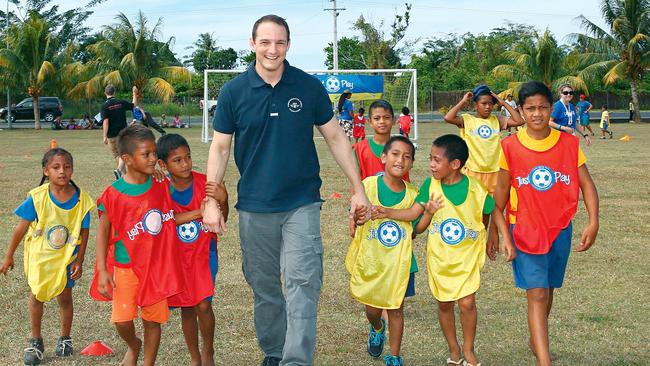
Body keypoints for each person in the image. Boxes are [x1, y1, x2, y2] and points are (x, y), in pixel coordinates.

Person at [203, 14, 371, 366]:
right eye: (265, 42)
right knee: (265, 289)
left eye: (279, 42)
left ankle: (295, 360)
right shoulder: (234, 91)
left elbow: (336, 137)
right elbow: (220, 148)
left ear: (289, 45)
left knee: (302, 283)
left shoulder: (308, 87)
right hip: (254, 206)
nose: (272, 49)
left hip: (301, 203)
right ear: (252, 44)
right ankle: (274, 352)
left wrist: (358, 189)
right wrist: (210, 201)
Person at [371, 134, 514, 366]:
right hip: (440, 260)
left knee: (467, 303)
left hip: (466, 258)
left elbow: (494, 209)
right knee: (445, 304)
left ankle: (468, 349)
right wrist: (389, 212)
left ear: (455, 164)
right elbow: (415, 221)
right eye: (430, 159)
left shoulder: (474, 188)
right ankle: (454, 349)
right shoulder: (430, 186)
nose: (431, 165)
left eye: (437, 160)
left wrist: (504, 238)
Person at [493, 81, 599, 366]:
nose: (537, 114)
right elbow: (499, 199)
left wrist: (593, 222)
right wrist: (500, 234)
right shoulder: (509, 146)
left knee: (548, 289)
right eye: (530, 108)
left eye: (542, 107)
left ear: (551, 108)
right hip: (525, 230)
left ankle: (535, 338)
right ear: (521, 111)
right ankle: (544, 360)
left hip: (559, 229)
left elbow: (586, 185)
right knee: (537, 293)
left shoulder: (568, 143)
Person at [90, 125, 198, 366]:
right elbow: (103, 234)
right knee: (122, 320)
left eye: (154, 153)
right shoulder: (113, 194)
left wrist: (200, 212)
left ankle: (147, 362)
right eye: (146, 154)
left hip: (155, 268)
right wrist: (103, 271)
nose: (153, 158)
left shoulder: (161, 185)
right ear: (127, 159)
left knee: (153, 320)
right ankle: (133, 344)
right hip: (125, 268)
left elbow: (169, 218)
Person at [0, 148, 94, 365]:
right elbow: (20, 229)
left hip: (66, 259)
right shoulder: (38, 197)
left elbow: (84, 231)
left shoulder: (81, 200)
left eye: (67, 166)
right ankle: (36, 340)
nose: (62, 171)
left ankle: (65, 338)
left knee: (65, 298)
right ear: (46, 170)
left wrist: (79, 260)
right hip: (41, 259)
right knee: (37, 296)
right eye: (56, 167)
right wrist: (9, 256)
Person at [157, 133, 229, 366]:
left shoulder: (205, 184)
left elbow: (220, 221)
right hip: (177, 258)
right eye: (177, 160)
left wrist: (223, 200)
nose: (185, 164)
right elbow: (164, 221)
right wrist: (198, 212)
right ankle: (194, 358)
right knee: (187, 308)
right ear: (163, 164)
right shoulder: (160, 190)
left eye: (187, 157)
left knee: (204, 304)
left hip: (203, 254)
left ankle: (208, 351)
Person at [346, 136, 418, 366]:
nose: (401, 160)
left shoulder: (413, 195)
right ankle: (377, 327)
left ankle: (394, 356)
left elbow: (414, 230)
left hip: (400, 263)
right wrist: (358, 217)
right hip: (372, 262)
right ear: (384, 157)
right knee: (373, 310)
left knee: (396, 309)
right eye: (395, 154)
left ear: (412, 164)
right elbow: (356, 217)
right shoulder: (367, 186)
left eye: (407, 157)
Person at [443, 84, 524, 195]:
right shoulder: (467, 120)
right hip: (473, 171)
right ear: (476, 105)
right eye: (484, 103)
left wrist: (504, 103)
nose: (487, 107)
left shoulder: (497, 120)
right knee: (473, 207)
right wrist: (463, 101)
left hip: (495, 171)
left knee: (489, 207)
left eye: (490, 103)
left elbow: (519, 121)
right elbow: (448, 118)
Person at [354, 100, 408, 182]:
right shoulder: (359, 149)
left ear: (394, 120)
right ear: (370, 122)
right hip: (367, 194)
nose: (382, 121)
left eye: (386, 117)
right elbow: (355, 183)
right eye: (377, 118)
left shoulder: (402, 148)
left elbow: (405, 182)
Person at [101, 84, 138, 180]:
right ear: (114, 92)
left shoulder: (104, 106)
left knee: (117, 155)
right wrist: (134, 93)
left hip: (111, 135)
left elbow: (106, 121)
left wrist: (104, 136)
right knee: (124, 152)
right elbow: (133, 105)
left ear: (105, 93)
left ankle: (122, 175)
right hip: (122, 133)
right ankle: (121, 173)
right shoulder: (121, 102)